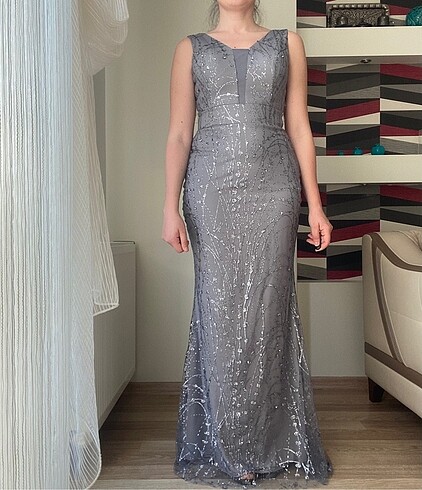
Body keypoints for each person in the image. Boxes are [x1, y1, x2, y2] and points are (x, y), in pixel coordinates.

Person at [162, 0, 334, 487]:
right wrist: (169, 207)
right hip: (210, 189)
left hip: (274, 186)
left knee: (267, 310)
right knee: (219, 313)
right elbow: (179, 134)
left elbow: (299, 126)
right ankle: (226, 442)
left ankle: (267, 441)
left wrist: (315, 205)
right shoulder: (190, 49)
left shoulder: (288, 43)